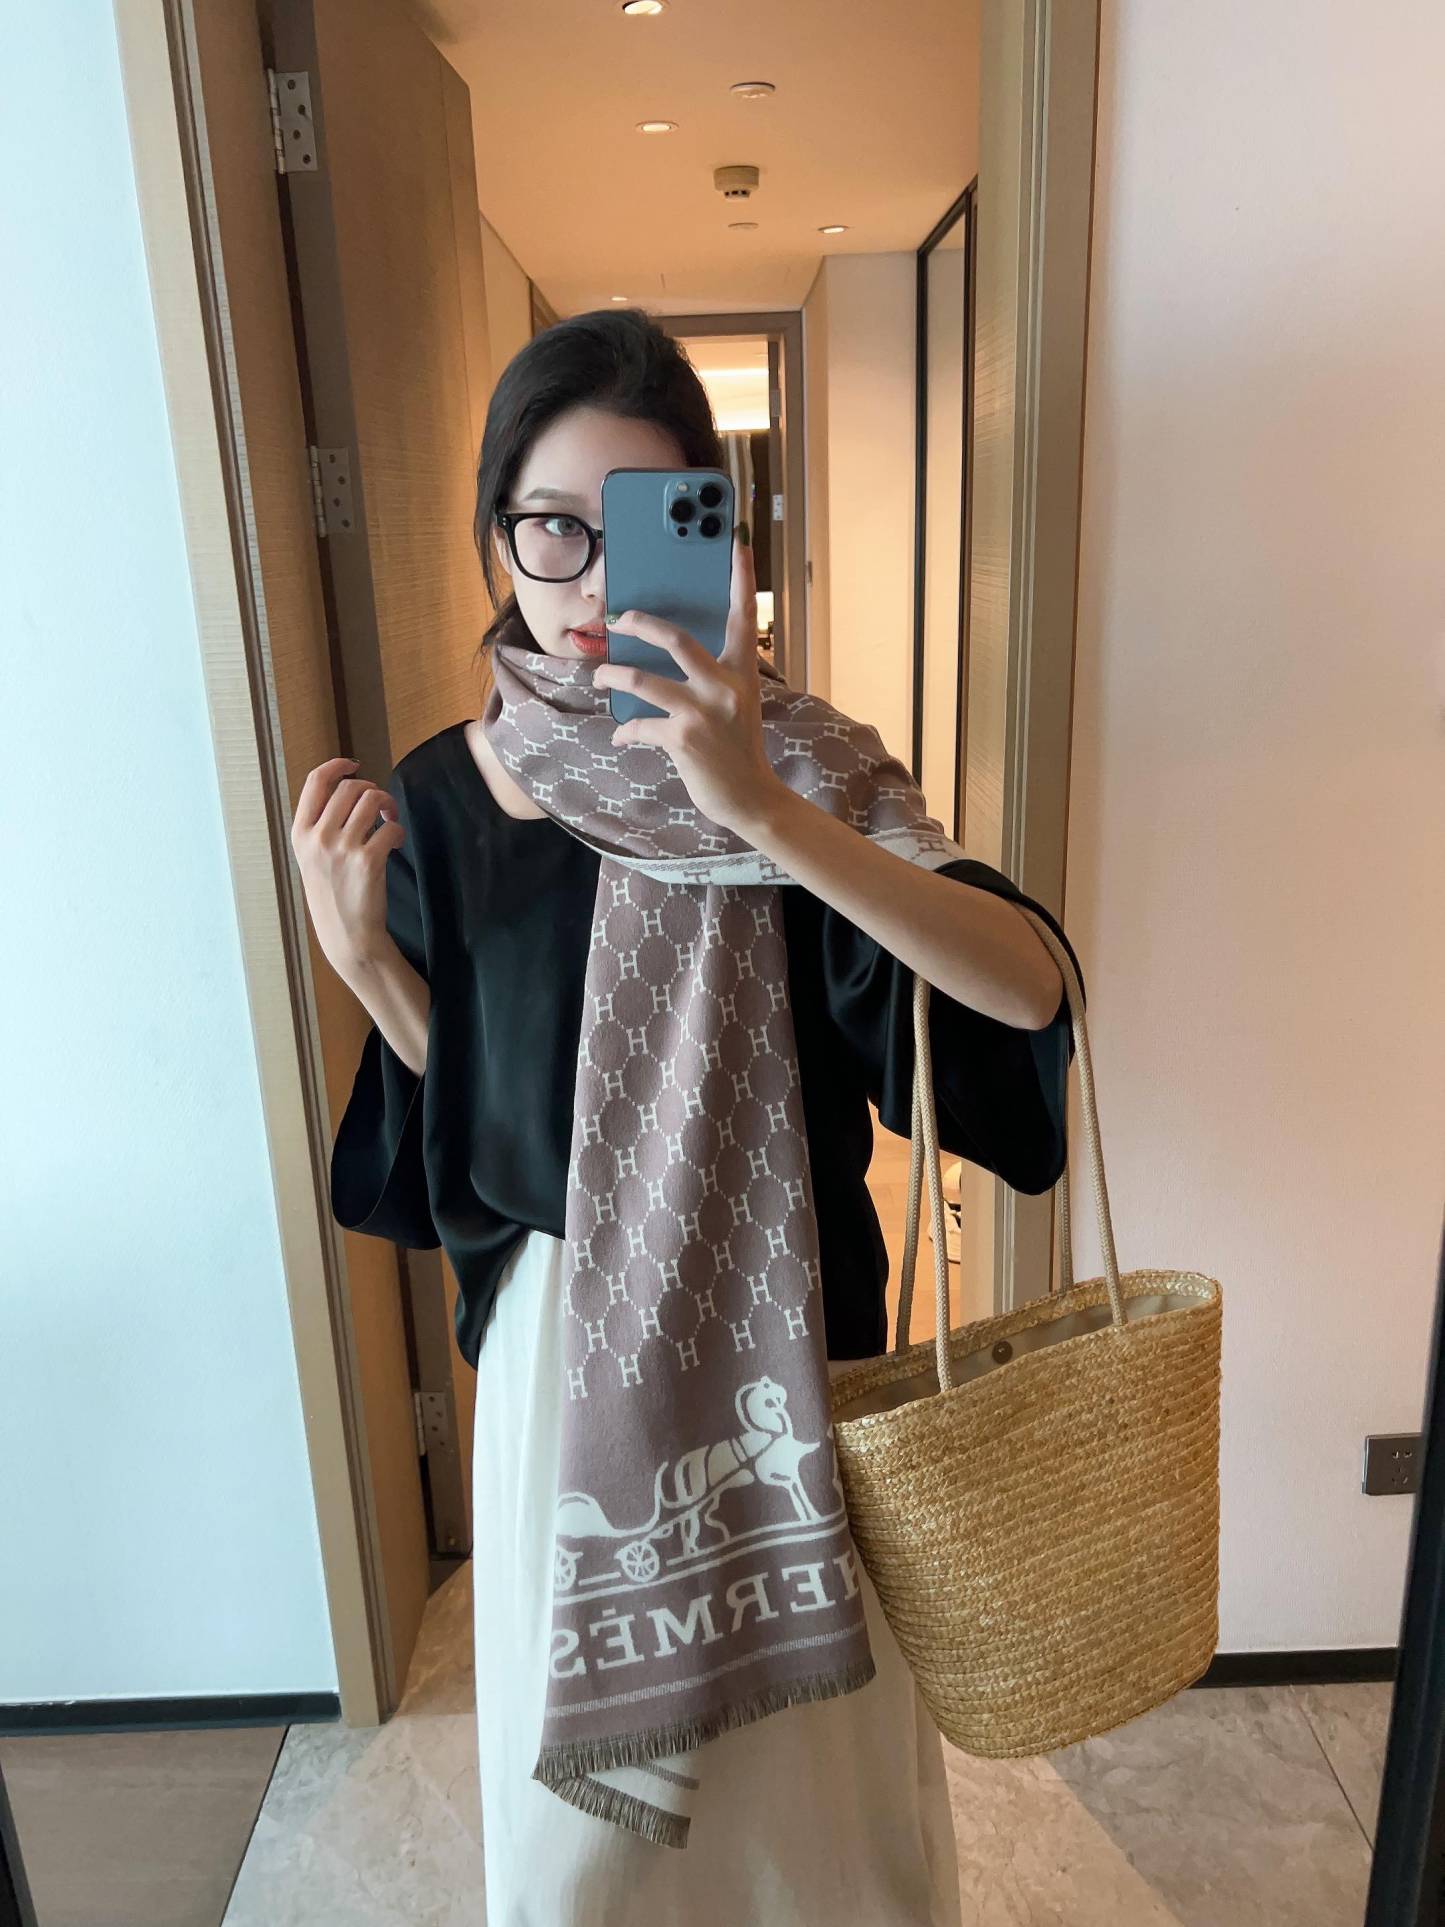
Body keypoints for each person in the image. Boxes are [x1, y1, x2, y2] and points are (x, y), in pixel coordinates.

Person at [292, 309, 1083, 1925]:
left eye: (639, 524)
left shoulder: (803, 763)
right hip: (564, 1365)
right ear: (496, 536)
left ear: (713, 540)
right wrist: (365, 959)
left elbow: (1024, 993)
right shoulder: (446, 793)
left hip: (788, 1348)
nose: (587, 581)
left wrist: (763, 812)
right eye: (549, 529)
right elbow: (486, 1137)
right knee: (588, 1852)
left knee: (816, 1820)